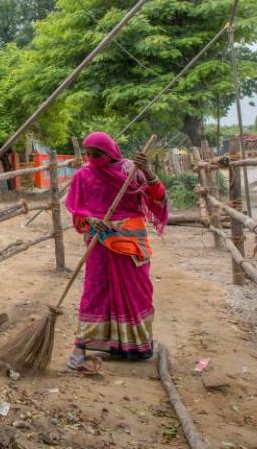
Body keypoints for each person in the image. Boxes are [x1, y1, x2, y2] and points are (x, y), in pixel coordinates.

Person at [64, 132, 169, 374]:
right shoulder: (83, 175)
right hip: (99, 242)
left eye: (97, 155)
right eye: (88, 154)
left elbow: (158, 196)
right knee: (96, 291)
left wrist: (148, 170)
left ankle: (135, 345)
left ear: (110, 152)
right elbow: (76, 208)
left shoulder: (130, 170)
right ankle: (82, 345)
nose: (91, 159)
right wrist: (91, 219)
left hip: (130, 241)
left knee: (135, 291)